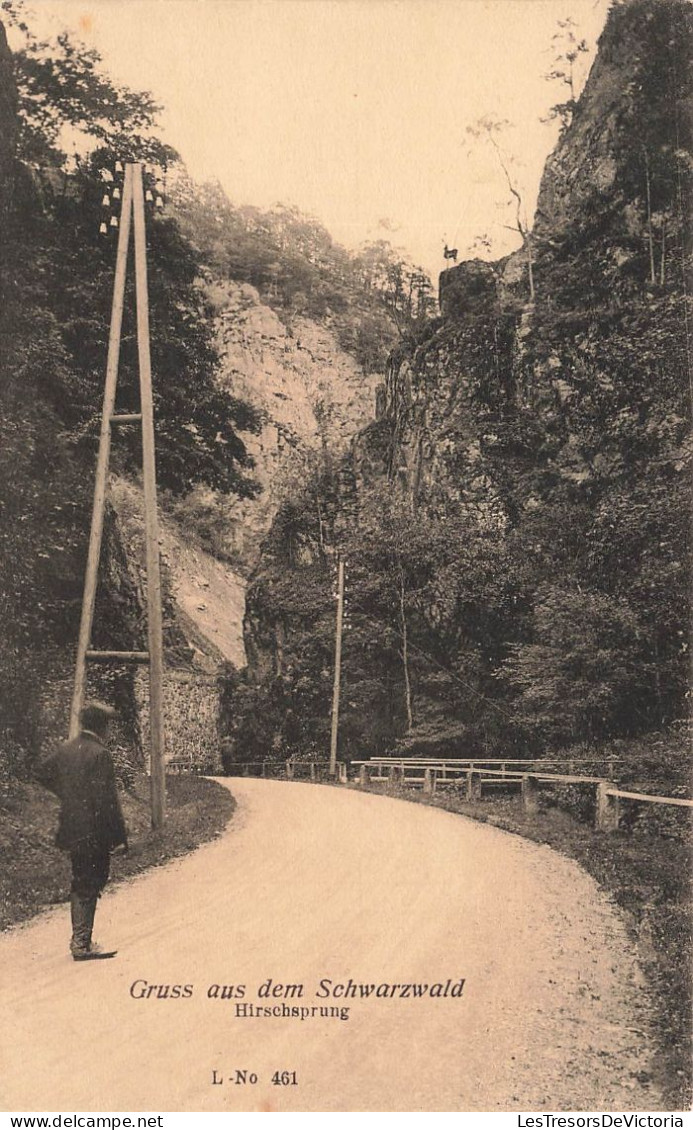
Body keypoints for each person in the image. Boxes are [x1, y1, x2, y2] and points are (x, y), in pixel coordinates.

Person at [38, 700, 128, 961]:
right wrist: (119, 838)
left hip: (72, 827)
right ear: (102, 726)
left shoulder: (67, 749)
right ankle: (81, 943)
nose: (111, 729)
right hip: (95, 830)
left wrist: (69, 795)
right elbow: (107, 801)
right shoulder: (100, 754)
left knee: (82, 878)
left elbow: (42, 773)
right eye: (109, 724)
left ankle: (81, 940)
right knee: (92, 879)